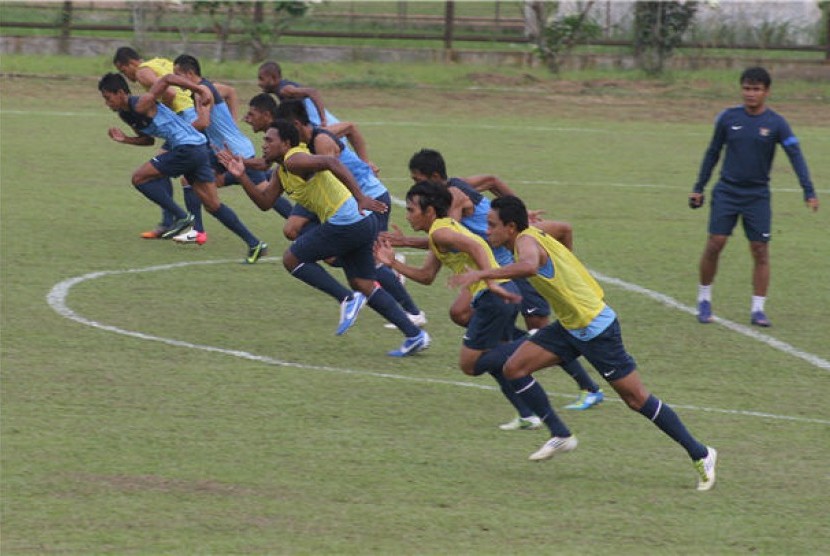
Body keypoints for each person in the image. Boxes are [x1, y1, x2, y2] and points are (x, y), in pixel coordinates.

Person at [452, 196, 717, 491]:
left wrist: (484, 273)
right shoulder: (534, 232)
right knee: (514, 368)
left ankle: (701, 453)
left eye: (492, 225)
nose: (487, 232)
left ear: (511, 227)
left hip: (596, 328)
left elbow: (528, 266)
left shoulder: (526, 243)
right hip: (568, 326)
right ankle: (561, 435)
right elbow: (565, 229)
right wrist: (568, 270)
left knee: (636, 399)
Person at [382, 148, 604, 422]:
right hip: (495, 267)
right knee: (463, 314)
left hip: (511, 264)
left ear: (436, 178)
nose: (416, 186)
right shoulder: (454, 189)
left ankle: (587, 387)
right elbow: (490, 181)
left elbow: (450, 237)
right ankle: (525, 400)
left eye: (418, 179)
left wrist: (516, 220)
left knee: (538, 331)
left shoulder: (453, 199)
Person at [217, 120, 430, 356]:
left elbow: (329, 161)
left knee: (292, 259)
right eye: (264, 140)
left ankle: (347, 299)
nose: (264, 144)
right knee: (363, 283)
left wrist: (359, 196)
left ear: (286, 143)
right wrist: (241, 175)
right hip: (360, 222)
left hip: (347, 222)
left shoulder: (294, 159)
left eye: (269, 140)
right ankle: (414, 335)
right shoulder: (282, 171)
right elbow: (265, 202)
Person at [375, 181, 563, 431]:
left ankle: (540, 340)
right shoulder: (439, 233)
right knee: (500, 361)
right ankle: (528, 414)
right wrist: (392, 264)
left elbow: (475, 246)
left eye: (411, 210)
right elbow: (426, 276)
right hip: (501, 294)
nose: (408, 215)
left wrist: (489, 280)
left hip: (494, 298)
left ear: (430, 211)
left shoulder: (441, 232)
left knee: (470, 364)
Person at [275, 99, 427, 328]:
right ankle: (376, 276)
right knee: (295, 230)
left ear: (294, 125)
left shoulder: (321, 141)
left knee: (370, 262)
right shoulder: (304, 146)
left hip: (366, 199)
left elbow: (337, 173)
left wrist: (365, 166)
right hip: (345, 203)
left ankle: (412, 311)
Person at [689, 66, 819, 327]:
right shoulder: (727, 118)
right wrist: (699, 186)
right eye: (747, 88)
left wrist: (809, 190)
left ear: (766, 92)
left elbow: (795, 155)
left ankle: (758, 309)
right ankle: (704, 299)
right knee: (715, 243)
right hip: (727, 191)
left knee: (760, 250)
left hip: (757, 195)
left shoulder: (776, 123)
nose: (750, 94)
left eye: (756, 89)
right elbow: (712, 152)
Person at [98, 72, 268, 264]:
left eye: (108, 98)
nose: (107, 103)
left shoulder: (141, 103)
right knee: (213, 205)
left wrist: (198, 89)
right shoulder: (125, 113)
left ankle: (181, 217)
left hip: (187, 148)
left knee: (139, 178)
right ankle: (255, 244)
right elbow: (148, 140)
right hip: (197, 149)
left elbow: (167, 79)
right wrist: (126, 139)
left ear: (120, 92)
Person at [165, 54, 288, 244]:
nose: (175, 80)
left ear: (189, 74)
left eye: (177, 75)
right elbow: (230, 91)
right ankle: (197, 232)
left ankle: (303, 225)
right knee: (190, 180)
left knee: (266, 195)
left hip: (236, 152)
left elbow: (203, 122)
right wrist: (231, 122)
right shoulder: (206, 88)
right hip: (222, 152)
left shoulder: (201, 92)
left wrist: (176, 132)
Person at [112, 46, 199, 239]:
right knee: (168, 170)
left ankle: (178, 223)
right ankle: (176, 223)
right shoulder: (160, 62)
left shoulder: (143, 72)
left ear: (129, 63)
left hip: (185, 118)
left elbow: (170, 94)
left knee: (156, 171)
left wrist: (164, 113)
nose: (125, 75)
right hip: (193, 113)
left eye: (122, 70)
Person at [257, 61, 338, 127]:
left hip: (323, 123)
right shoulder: (281, 90)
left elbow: (313, 92)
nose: (259, 83)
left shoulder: (285, 90)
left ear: (274, 78)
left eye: (261, 79)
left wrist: (323, 119)